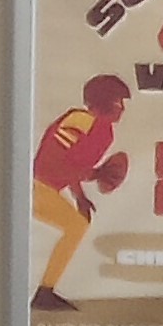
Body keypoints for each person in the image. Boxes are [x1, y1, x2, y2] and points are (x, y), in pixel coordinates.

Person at [30, 73, 131, 311]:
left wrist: (89, 187)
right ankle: (44, 292)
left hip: (46, 189)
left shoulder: (105, 133)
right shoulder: (81, 120)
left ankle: (45, 291)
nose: (122, 108)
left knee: (77, 226)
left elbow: (75, 168)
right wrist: (86, 187)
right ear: (105, 101)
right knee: (76, 226)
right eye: (119, 101)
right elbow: (56, 162)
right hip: (33, 186)